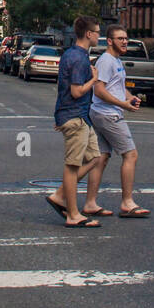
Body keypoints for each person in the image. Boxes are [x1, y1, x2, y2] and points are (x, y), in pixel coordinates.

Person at [86, 25, 150, 218]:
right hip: (108, 114)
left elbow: (117, 87)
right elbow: (99, 90)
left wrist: (129, 97)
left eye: (126, 38)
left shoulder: (116, 61)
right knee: (130, 155)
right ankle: (127, 203)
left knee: (101, 158)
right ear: (110, 41)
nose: (125, 42)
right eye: (120, 38)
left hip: (101, 112)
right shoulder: (106, 61)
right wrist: (123, 104)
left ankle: (90, 203)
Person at [46, 16, 102, 228]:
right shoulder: (79, 58)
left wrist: (61, 115)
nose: (99, 36)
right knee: (72, 166)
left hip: (77, 116)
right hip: (75, 117)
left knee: (95, 157)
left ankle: (60, 195)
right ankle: (73, 214)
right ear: (88, 34)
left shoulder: (71, 54)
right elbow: (76, 91)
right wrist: (93, 80)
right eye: (97, 32)